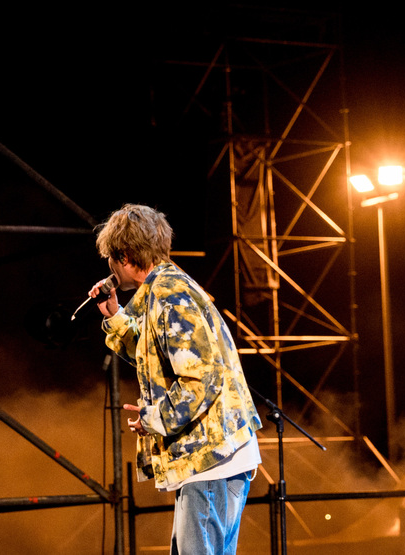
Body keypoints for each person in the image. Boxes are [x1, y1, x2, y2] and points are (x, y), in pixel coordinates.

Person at [88, 203, 263, 555]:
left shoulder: (170, 296)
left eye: (110, 258)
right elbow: (157, 356)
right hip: (210, 461)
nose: (109, 267)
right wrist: (117, 317)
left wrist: (154, 418)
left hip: (211, 460)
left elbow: (200, 381)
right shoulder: (163, 290)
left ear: (124, 256)